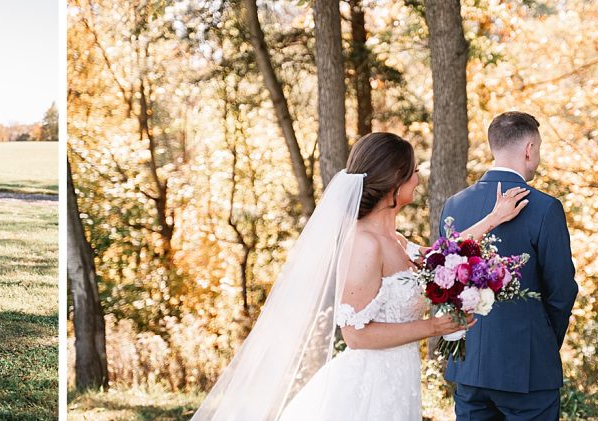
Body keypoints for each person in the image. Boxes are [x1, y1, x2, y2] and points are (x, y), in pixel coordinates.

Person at [192, 132, 529, 420]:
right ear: (395, 180)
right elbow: (355, 335)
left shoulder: (395, 239)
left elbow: (442, 257)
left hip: (398, 377)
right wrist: (434, 327)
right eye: (412, 172)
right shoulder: (364, 244)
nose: (417, 179)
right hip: (369, 387)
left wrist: (493, 219)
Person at [440, 111, 578, 421]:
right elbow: (562, 291)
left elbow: (446, 285)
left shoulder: (454, 205)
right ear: (529, 149)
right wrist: (542, 342)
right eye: (538, 149)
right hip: (527, 369)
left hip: (470, 366)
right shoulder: (545, 207)